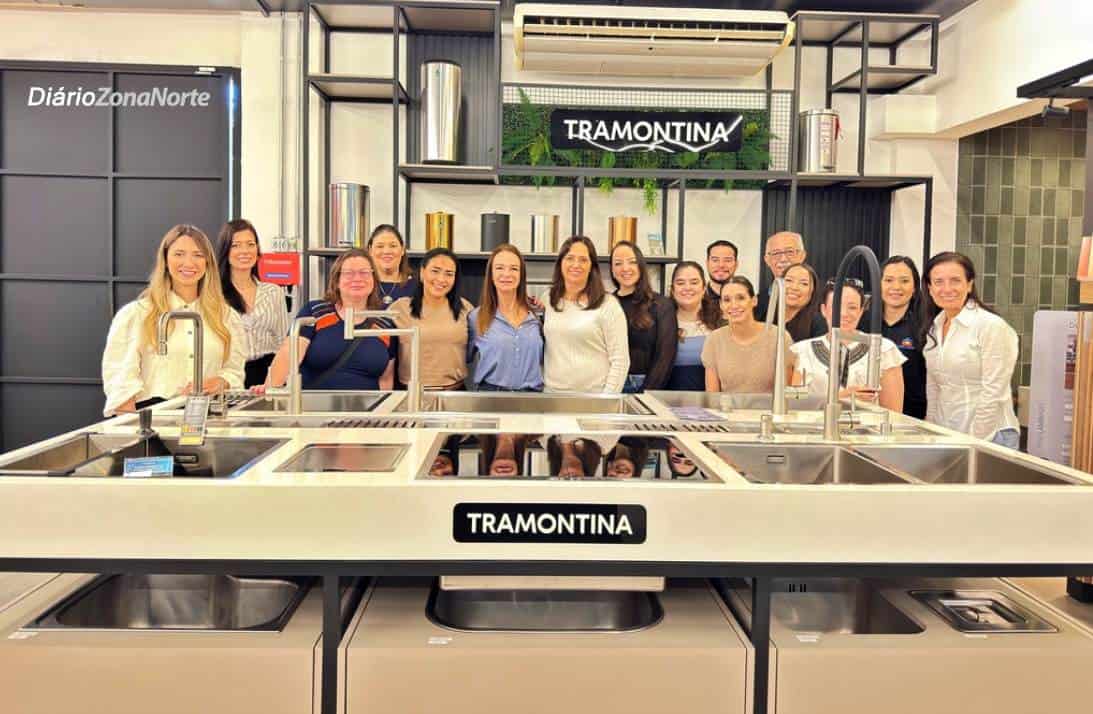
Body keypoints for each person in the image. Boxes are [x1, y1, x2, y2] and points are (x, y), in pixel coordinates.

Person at [102, 224, 245, 415]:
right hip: (153, 416)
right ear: (165, 260)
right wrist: (133, 426)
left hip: (208, 415)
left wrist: (221, 381)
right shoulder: (136, 314)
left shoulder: (226, 317)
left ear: (208, 263)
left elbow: (234, 370)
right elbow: (120, 379)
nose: (189, 263)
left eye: (198, 255)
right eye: (179, 254)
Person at [921, 251, 1020, 448]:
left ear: (969, 284)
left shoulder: (991, 326)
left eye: (955, 280)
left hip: (990, 437)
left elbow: (993, 391)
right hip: (949, 435)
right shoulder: (935, 326)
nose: (947, 288)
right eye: (939, 282)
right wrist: (931, 429)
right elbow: (935, 387)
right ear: (930, 288)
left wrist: (974, 441)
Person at [264, 249, 395, 391]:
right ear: (336, 281)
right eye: (348, 273)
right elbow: (288, 356)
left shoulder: (385, 322)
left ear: (374, 280)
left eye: (364, 272)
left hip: (368, 404)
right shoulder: (316, 311)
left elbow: (386, 378)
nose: (357, 278)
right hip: (315, 403)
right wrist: (270, 391)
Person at [792, 279, 906, 412]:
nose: (844, 314)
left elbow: (893, 413)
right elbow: (795, 405)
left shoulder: (883, 349)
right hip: (816, 425)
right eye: (836, 306)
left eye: (852, 307)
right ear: (824, 310)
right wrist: (841, 397)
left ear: (861, 311)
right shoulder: (804, 350)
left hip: (868, 425)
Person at [542, 236, 629, 393]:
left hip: (594, 398)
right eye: (570, 258)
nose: (576, 265)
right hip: (551, 396)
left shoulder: (608, 304)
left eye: (583, 260)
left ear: (591, 267)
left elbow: (620, 361)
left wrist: (606, 400)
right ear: (561, 263)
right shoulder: (548, 298)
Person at [215, 219, 290, 387]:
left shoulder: (273, 292)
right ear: (225, 251)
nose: (245, 251)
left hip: (268, 375)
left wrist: (277, 380)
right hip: (229, 376)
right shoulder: (214, 294)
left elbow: (282, 342)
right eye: (236, 245)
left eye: (250, 244)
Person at [390, 247, 473, 391]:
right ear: (422, 273)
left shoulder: (466, 308)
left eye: (449, 274)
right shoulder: (400, 308)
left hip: (454, 393)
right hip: (410, 394)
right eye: (435, 271)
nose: (441, 279)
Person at [467, 244, 543, 391]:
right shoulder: (476, 317)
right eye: (499, 268)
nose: (506, 274)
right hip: (491, 396)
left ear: (521, 275)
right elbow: (463, 359)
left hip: (532, 396)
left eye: (514, 268)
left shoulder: (536, 315)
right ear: (491, 274)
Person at [702, 276, 797, 394]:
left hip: (769, 406)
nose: (734, 305)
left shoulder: (778, 336)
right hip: (727, 406)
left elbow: (786, 393)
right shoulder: (714, 340)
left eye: (741, 298)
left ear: (754, 301)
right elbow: (712, 396)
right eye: (727, 300)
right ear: (721, 305)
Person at [610, 241, 677, 393]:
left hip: (646, 386)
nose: (625, 268)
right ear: (612, 270)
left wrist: (645, 394)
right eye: (618, 263)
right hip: (610, 385)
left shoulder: (661, 305)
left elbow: (665, 357)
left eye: (632, 262)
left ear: (641, 266)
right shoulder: (607, 304)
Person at [881, 256, 928, 420]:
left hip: (915, 418)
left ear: (914, 287)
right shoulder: (864, 321)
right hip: (870, 413)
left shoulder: (926, 325)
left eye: (904, 281)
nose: (896, 287)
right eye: (889, 280)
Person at [665, 262, 722, 391]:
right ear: (672, 290)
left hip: (711, 398)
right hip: (669, 399)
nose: (687, 288)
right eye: (680, 283)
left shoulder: (720, 322)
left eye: (694, 282)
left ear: (703, 288)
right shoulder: (662, 323)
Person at [755, 231, 807, 320]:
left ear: (802, 255)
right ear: (767, 260)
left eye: (790, 252)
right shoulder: (756, 303)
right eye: (776, 253)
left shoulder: (823, 298)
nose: (783, 259)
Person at [368, 224, 417, 306]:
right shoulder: (362, 283)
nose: (386, 251)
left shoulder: (418, 286)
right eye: (380, 246)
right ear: (370, 251)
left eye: (393, 246)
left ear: (402, 249)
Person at [782, 262, 827, 342]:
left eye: (804, 284)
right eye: (789, 280)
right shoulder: (766, 315)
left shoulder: (819, 325)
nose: (794, 287)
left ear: (813, 291)